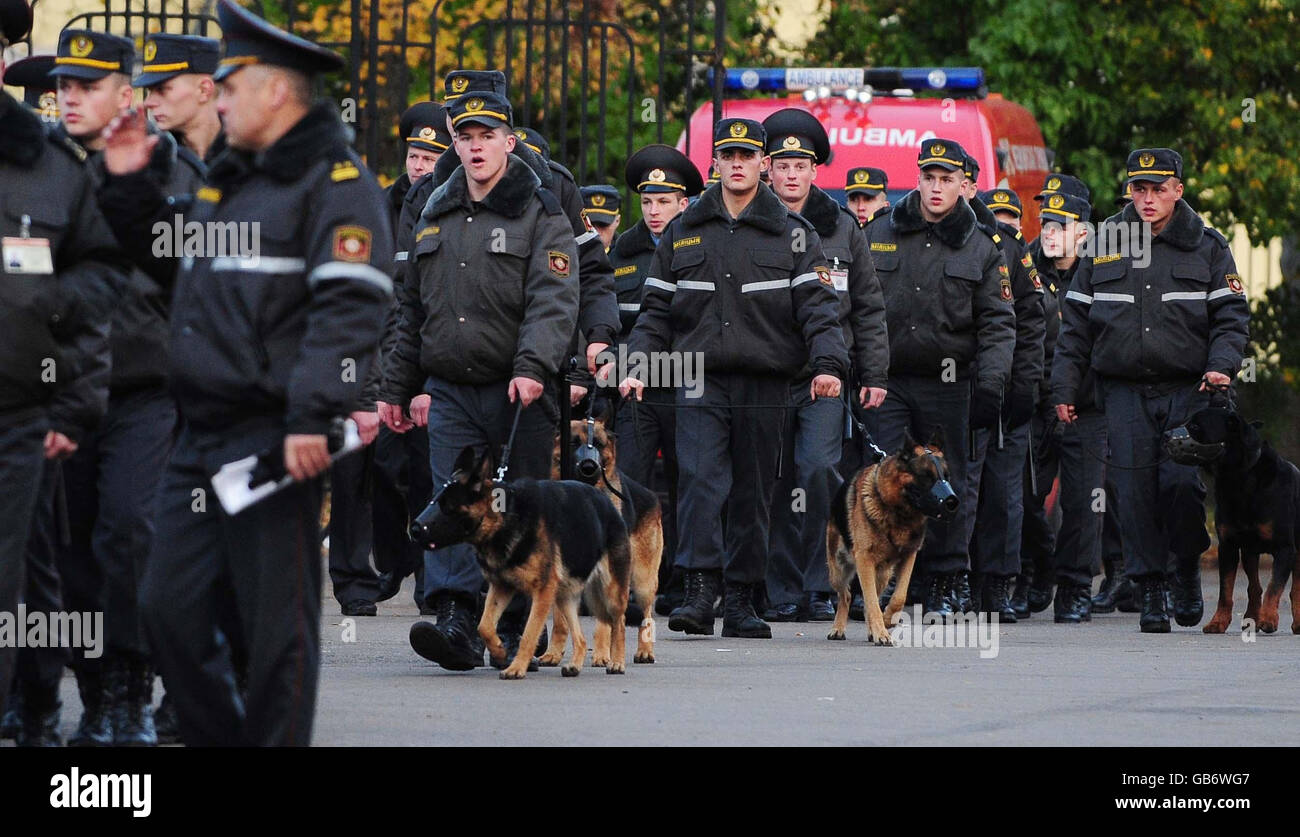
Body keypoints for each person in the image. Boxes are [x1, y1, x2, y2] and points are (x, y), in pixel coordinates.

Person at [100, 0, 394, 744]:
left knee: (277, 635)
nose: (217, 99)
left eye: (228, 87)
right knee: (167, 607)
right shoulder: (230, 178)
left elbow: (351, 308)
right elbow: (178, 275)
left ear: (276, 91)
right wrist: (130, 184)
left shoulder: (336, 180)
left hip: (273, 437)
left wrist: (311, 413)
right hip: (196, 431)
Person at [612, 117, 848, 639]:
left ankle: (741, 598)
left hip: (766, 383)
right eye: (727, 155)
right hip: (696, 377)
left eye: (747, 155)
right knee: (699, 482)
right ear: (714, 163)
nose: (737, 164)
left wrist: (829, 367)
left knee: (754, 491)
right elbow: (654, 311)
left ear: (762, 164)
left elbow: (819, 310)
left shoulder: (793, 234)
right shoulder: (684, 228)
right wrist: (636, 366)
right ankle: (699, 591)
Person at [378, 90, 579, 671]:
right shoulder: (434, 207)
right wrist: (396, 387)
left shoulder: (540, 210)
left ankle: (519, 624)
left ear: (508, 143)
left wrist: (533, 365)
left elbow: (554, 297)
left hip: (517, 389)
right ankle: (456, 618)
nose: (474, 147)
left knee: (513, 504)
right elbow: (411, 307)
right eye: (465, 137)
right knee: (451, 498)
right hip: (449, 387)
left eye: (486, 136)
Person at [1052, 148, 1249, 633]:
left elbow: (1232, 317)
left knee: (1180, 486)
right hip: (1122, 391)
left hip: (1189, 388)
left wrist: (1222, 367)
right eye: (1139, 189)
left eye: (1158, 189)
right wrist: (1065, 387)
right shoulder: (1105, 242)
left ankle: (1184, 568)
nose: (1148, 198)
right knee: (1133, 493)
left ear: (1178, 191)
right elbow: (1074, 324)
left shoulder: (1207, 245)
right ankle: (1152, 587)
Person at [0, 0, 127, 745]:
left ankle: (46, 700)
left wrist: (69, 403)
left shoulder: (51, 171)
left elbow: (98, 286)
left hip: (21, 409)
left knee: (30, 569)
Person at [862, 138, 1016, 617]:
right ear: (918, 177)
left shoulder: (982, 245)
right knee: (890, 479)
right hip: (888, 382)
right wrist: (860, 372)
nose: (935, 188)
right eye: (929, 177)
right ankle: (885, 579)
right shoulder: (881, 231)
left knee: (950, 485)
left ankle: (949, 579)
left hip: (953, 383)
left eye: (947, 179)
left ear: (962, 185)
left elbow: (999, 323)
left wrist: (991, 386)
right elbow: (860, 308)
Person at [761, 108, 889, 623]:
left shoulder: (841, 227)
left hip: (826, 376)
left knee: (816, 474)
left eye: (801, 165)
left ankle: (823, 583)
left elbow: (868, 306)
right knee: (772, 480)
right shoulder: (753, 220)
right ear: (768, 168)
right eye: (783, 165)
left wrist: (875, 373)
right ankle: (778, 587)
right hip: (768, 373)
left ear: (815, 171)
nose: (792, 175)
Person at [607, 143, 703, 613]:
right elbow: (606, 321)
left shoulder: (698, 245)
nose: (654, 210)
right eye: (647, 201)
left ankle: (685, 581)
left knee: (691, 483)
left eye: (664, 201)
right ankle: (623, 584)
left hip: (688, 381)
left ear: (684, 204)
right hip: (636, 385)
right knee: (629, 483)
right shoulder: (622, 252)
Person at [959, 156, 1046, 620]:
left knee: (1004, 496)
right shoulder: (933, 238)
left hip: (1004, 388)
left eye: (967, 182)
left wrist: (1024, 384)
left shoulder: (1007, 243)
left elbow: (1033, 321)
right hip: (958, 388)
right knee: (961, 491)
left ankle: (998, 586)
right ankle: (956, 582)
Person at [369, 101, 448, 611]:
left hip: (427, 355)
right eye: (415, 153)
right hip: (382, 349)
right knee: (382, 468)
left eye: (429, 155)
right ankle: (390, 561)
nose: (419, 164)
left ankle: (427, 574)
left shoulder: (438, 200)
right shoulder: (379, 203)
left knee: (426, 472)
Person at [135, 33, 223, 163]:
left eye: (162, 89)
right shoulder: (154, 161)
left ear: (204, 90)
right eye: (149, 91)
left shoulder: (248, 156)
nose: (148, 102)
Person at [581, 184, 621, 251]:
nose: (596, 232)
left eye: (603, 225)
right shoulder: (567, 254)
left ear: (617, 221)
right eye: (590, 224)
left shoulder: (629, 258)